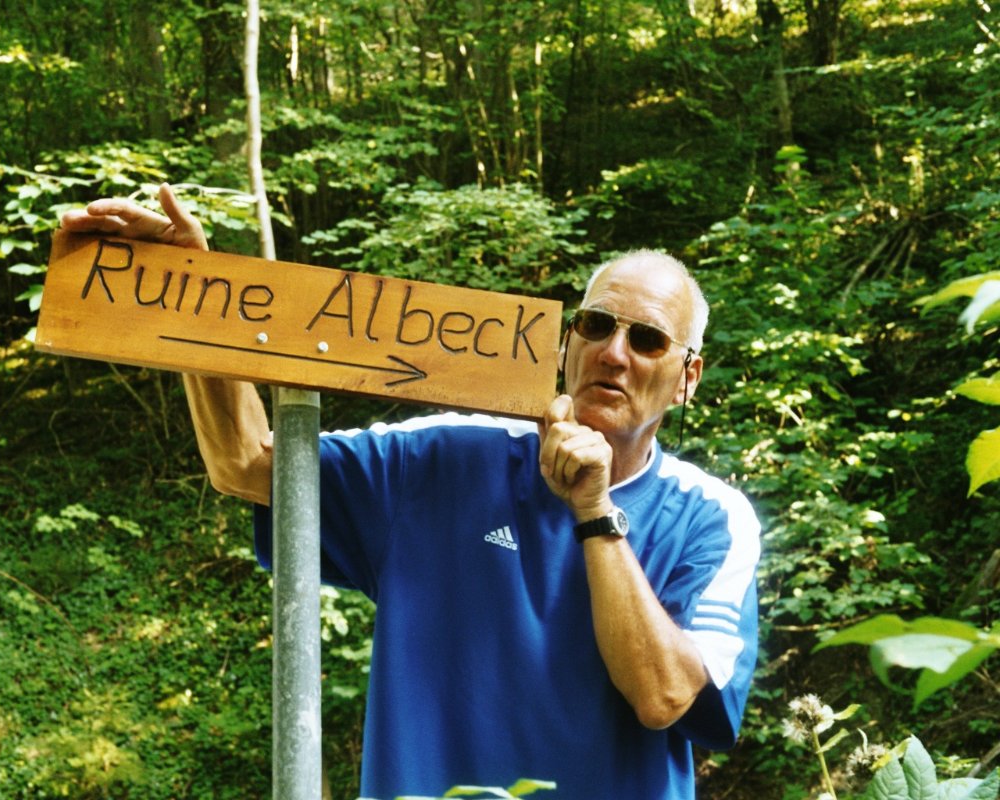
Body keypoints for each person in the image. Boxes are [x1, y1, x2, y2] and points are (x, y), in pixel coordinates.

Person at [61, 184, 761, 799]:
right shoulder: (444, 457)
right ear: (566, 343)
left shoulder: (712, 519)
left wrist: (594, 512)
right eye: (597, 325)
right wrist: (195, 294)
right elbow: (244, 463)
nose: (613, 352)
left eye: (647, 340)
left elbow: (665, 695)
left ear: (688, 378)